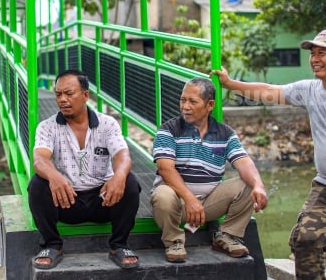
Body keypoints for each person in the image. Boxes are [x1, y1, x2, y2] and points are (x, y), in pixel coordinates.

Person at [213, 29, 326, 279]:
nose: (315, 58)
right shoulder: (309, 89)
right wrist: (230, 84)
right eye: (313, 53)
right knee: (305, 241)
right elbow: (269, 90)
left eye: (322, 53)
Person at [27, 69, 141, 270]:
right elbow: (39, 159)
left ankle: (119, 245)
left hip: (103, 199)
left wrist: (119, 176)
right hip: (66, 199)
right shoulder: (47, 126)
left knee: (130, 182)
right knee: (37, 184)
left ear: (86, 95)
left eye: (69, 94)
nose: (62, 99)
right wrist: (54, 176)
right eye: (58, 94)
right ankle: (52, 245)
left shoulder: (107, 124)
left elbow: (122, 156)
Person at [150, 77, 267, 263]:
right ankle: (174, 242)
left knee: (248, 183)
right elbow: (165, 169)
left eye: (192, 101)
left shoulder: (225, 133)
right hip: (176, 204)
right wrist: (189, 199)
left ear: (209, 104)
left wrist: (258, 186)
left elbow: (244, 162)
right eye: (183, 100)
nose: (185, 106)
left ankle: (227, 236)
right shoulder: (168, 130)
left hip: (208, 204)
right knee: (162, 194)